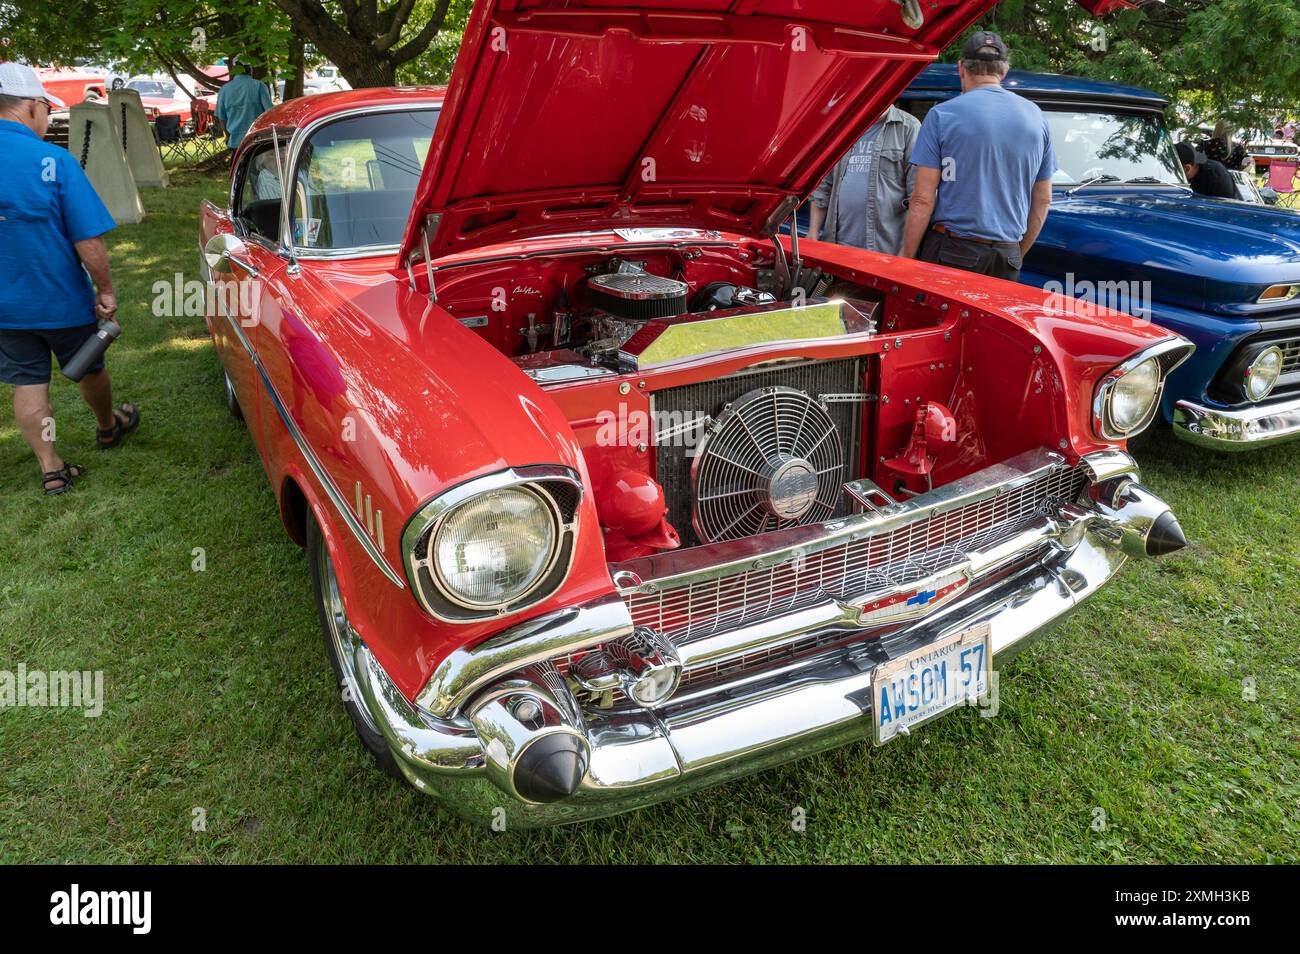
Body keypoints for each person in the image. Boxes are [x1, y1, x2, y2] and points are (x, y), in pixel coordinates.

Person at [0, 63, 139, 496]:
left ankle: (51, 467)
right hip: (61, 301)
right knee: (90, 367)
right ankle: (107, 426)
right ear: (32, 107)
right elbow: (87, 239)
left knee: (28, 381)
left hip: (6, 308)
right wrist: (107, 290)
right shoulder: (53, 160)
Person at [900, 31, 1054, 282]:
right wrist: (1015, 253)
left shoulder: (942, 115)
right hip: (1007, 254)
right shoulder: (1036, 117)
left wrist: (907, 260)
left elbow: (922, 200)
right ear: (1003, 72)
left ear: (961, 68)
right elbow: (1043, 199)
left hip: (953, 251)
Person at [807, 105, 921, 255]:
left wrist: (905, 253)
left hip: (883, 253)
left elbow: (917, 197)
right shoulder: (842, 127)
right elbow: (824, 185)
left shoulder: (909, 128)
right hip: (835, 249)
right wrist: (813, 231)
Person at [215, 60, 272, 152]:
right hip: (257, 138)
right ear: (250, 69)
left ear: (234, 69)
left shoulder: (224, 90)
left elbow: (221, 117)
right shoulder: (259, 85)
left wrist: (228, 136)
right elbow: (269, 112)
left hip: (235, 141)